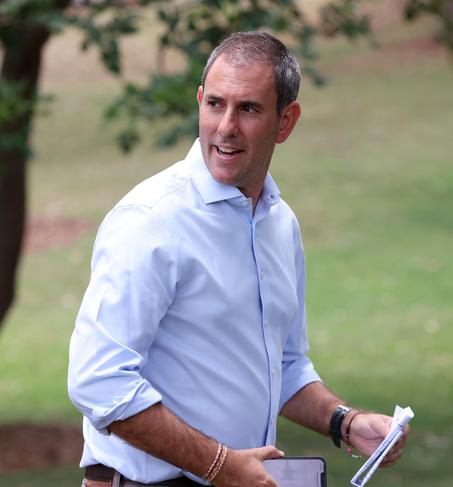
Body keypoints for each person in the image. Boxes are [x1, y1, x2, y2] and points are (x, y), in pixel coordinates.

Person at [68, 31, 409, 487]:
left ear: (285, 121)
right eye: (215, 104)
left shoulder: (279, 223)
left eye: (248, 108)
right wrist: (220, 466)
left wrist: (344, 422)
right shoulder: (149, 222)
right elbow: (98, 382)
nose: (225, 126)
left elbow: (281, 365)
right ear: (199, 103)